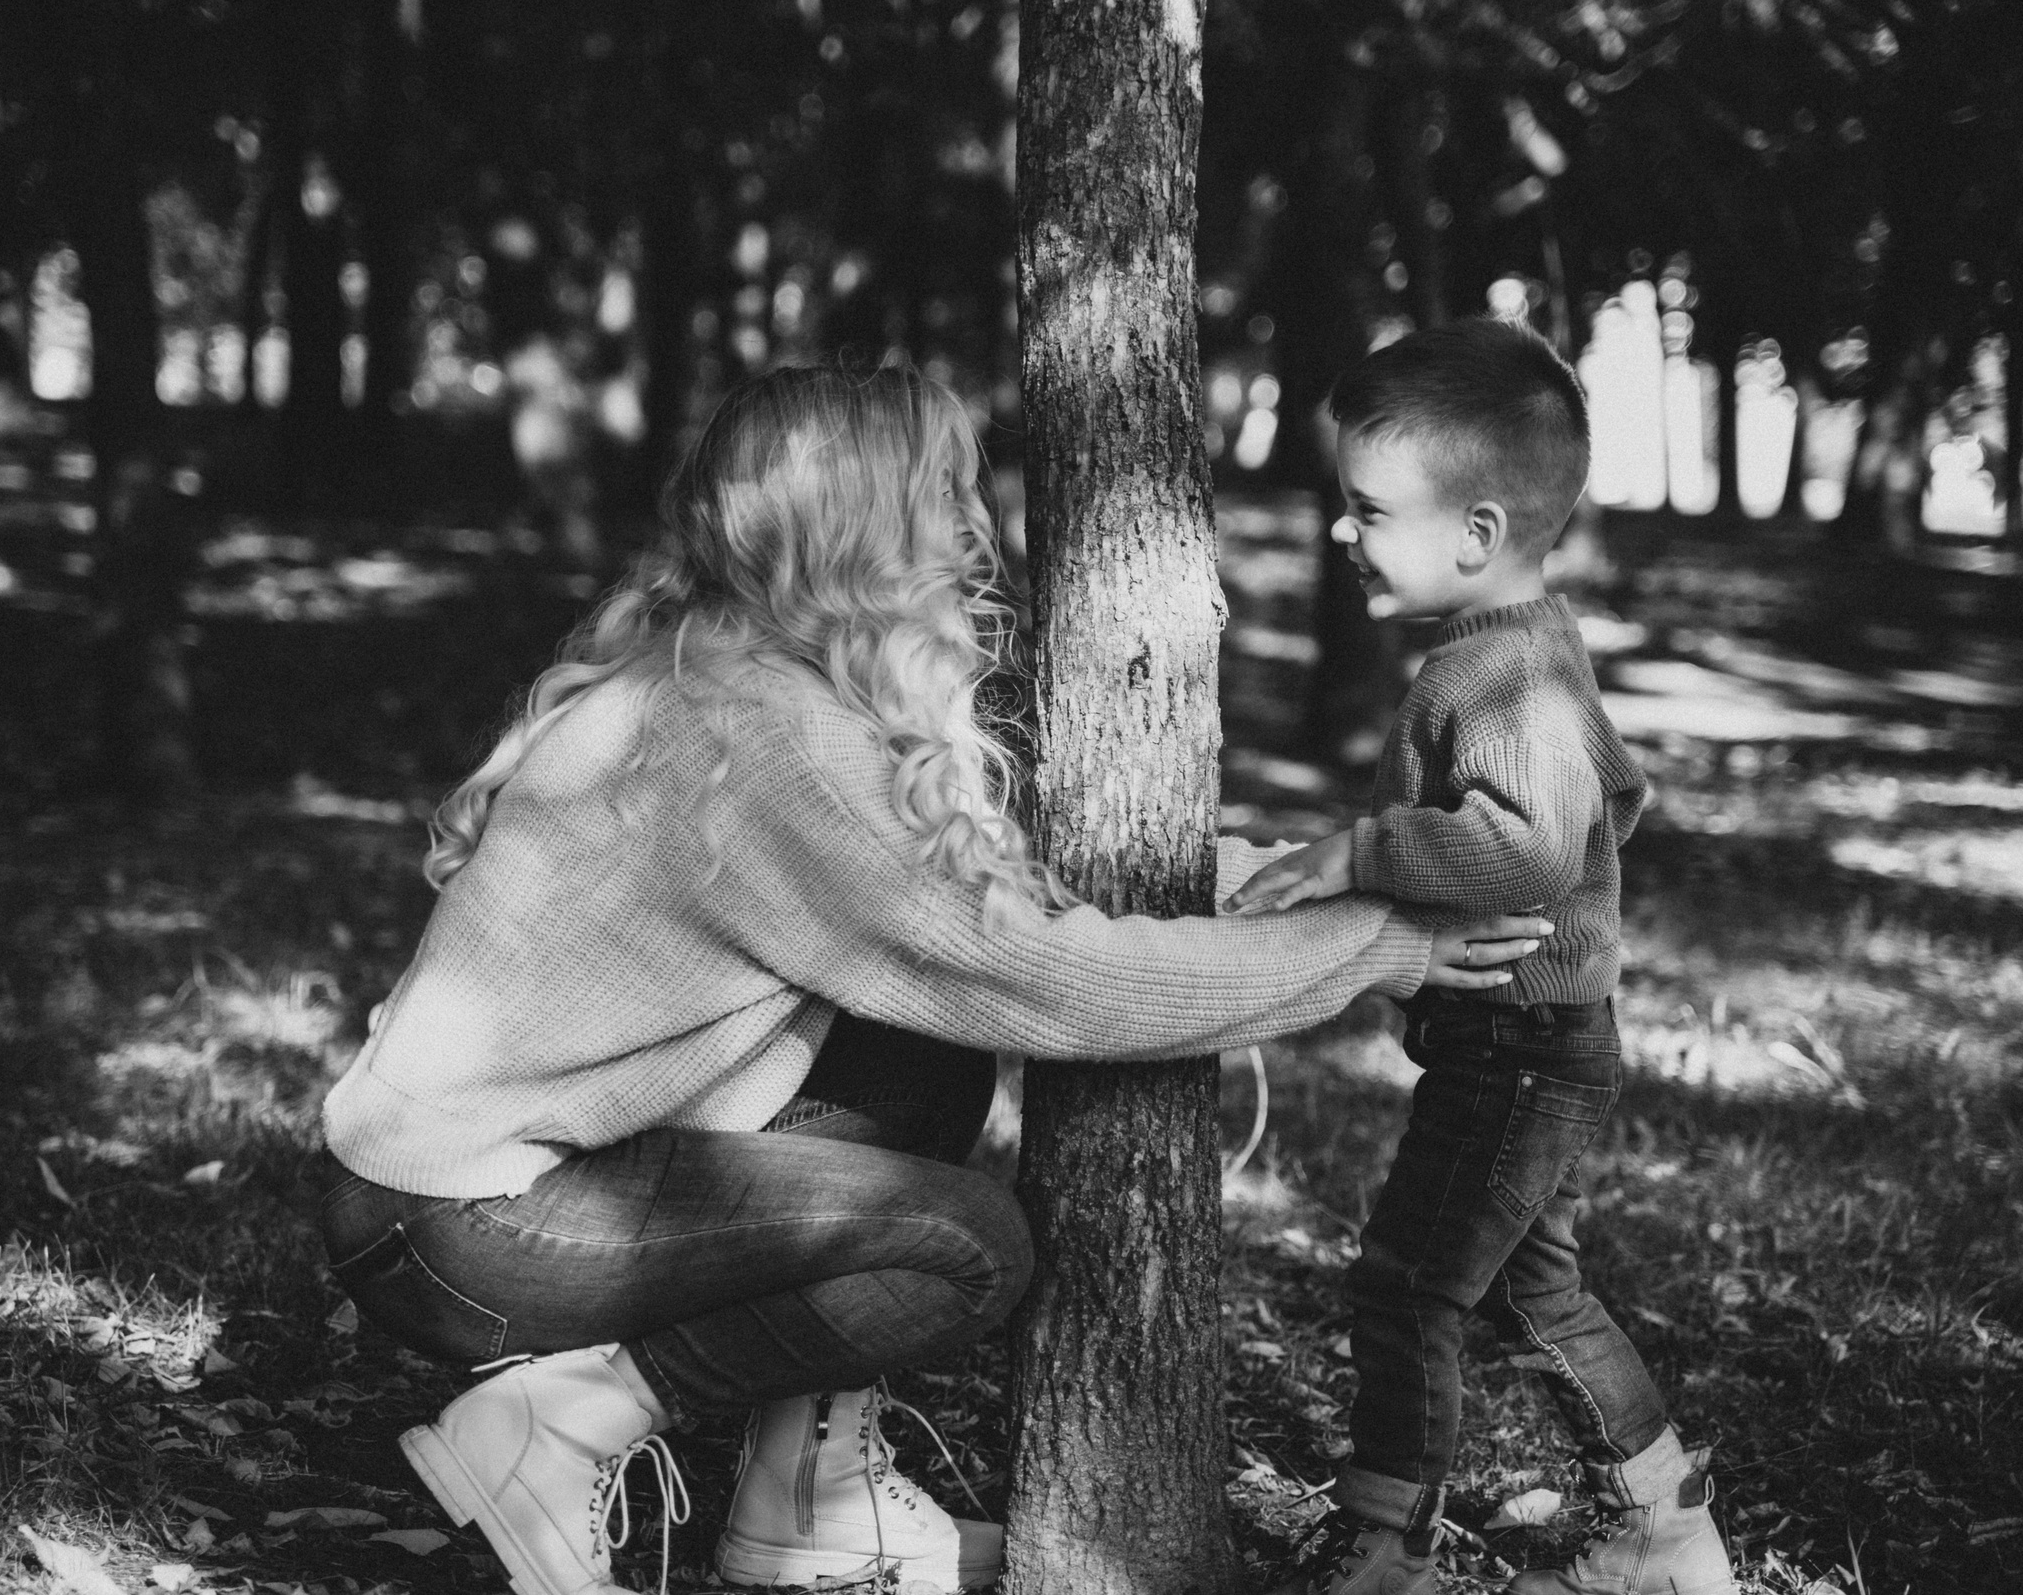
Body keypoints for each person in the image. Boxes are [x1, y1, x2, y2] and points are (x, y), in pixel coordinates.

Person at [315, 363, 1549, 1595]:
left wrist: (1307, 882)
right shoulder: (766, 739)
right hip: (465, 1224)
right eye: (948, 490)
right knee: (967, 1248)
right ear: (865, 524)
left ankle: (801, 1502)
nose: (976, 525)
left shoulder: (739, 674)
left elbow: (995, 891)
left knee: (921, 1044)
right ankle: (569, 1418)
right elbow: (1036, 975)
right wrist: (1374, 951)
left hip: (470, 1195)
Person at [1227, 319, 1736, 1595]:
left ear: (1477, 533)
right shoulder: (1519, 653)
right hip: (1534, 1039)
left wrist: (1361, 853)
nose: (1340, 534)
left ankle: (1383, 1538)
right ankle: (1665, 1535)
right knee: (1528, 1290)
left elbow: (1528, 848)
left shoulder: (1502, 670)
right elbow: (1612, 797)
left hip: (1517, 1049)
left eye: (1365, 510)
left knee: (1406, 1285)